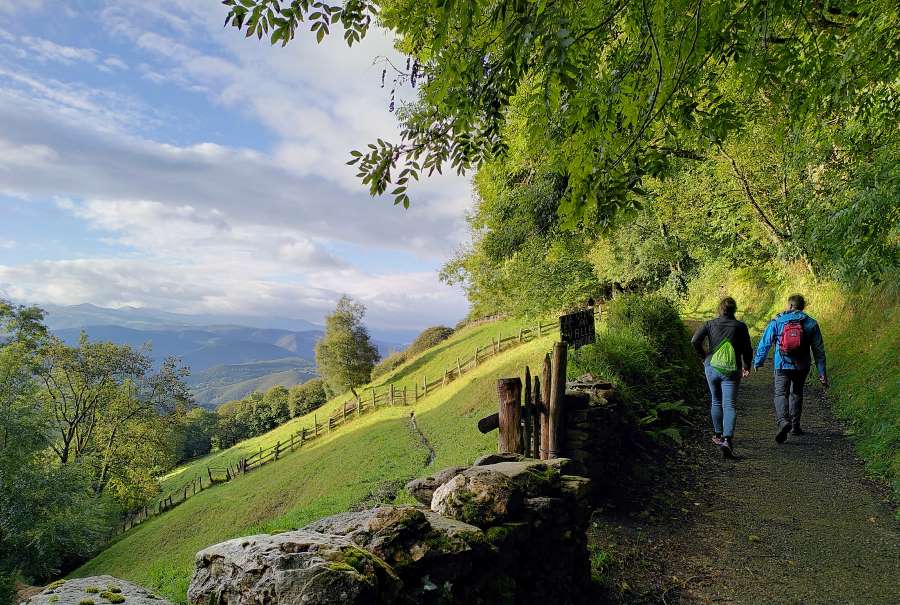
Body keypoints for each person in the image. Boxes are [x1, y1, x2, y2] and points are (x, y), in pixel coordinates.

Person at [753, 294, 827, 443]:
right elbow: (818, 350)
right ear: (803, 307)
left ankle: (783, 421)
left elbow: (765, 342)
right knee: (797, 393)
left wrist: (758, 361)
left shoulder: (777, 321)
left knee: (781, 394)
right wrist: (822, 373)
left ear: (789, 306)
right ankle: (795, 426)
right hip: (802, 366)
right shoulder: (811, 323)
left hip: (782, 364)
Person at [692, 297, 753, 459]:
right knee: (729, 404)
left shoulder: (709, 324)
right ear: (734, 310)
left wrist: (704, 357)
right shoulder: (740, 326)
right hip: (731, 369)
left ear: (719, 309)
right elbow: (747, 349)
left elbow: (695, 341)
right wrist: (747, 365)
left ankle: (718, 435)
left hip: (711, 367)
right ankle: (727, 440)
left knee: (716, 401)